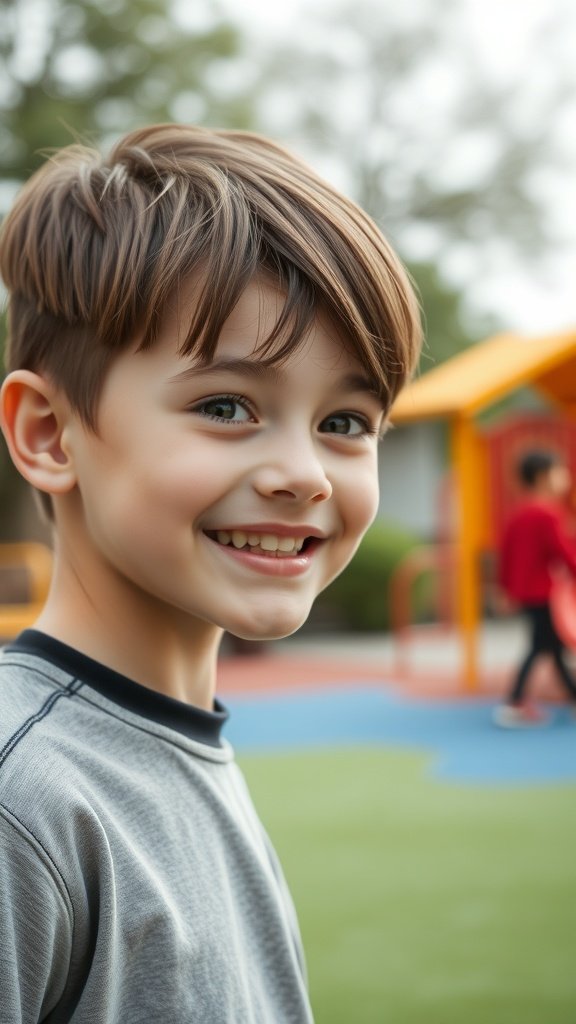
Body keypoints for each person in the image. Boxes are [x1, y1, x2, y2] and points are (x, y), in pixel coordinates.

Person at [0, 124, 421, 1022]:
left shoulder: (169, 744)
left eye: (346, 423)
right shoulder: (22, 798)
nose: (304, 472)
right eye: (226, 406)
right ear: (48, 434)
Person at [495, 448, 576, 728]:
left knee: (551, 648)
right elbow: (564, 552)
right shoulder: (549, 513)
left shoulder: (517, 514)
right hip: (544, 593)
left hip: (527, 594)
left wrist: (505, 589)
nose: (566, 477)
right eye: (561, 471)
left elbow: (505, 555)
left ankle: (525, 701)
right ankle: (515, 702)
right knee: (543, 647)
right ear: (544, 477)